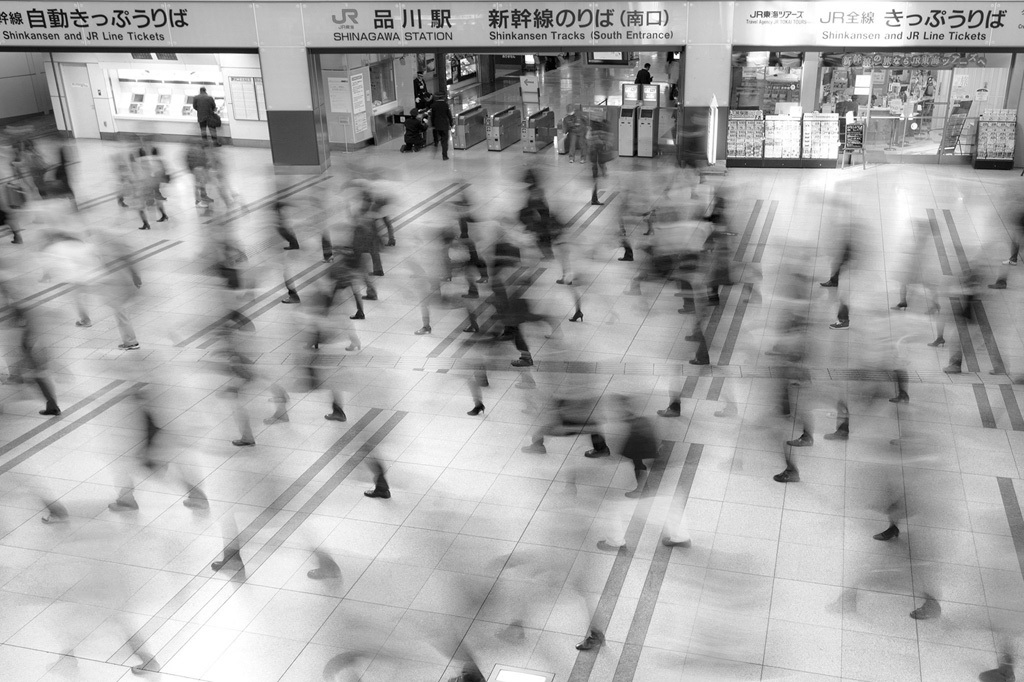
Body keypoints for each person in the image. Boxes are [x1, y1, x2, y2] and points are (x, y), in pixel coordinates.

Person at [430, 96, 453, 161]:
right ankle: (444, 156)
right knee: (444, 140)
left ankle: (436, 142)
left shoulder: (433, 105)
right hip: (444, 125)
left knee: (439, 136)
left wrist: (433, 125)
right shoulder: (445, 105)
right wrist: (451, 124)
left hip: (437, 125)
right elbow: (449, 115)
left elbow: (432, 116)